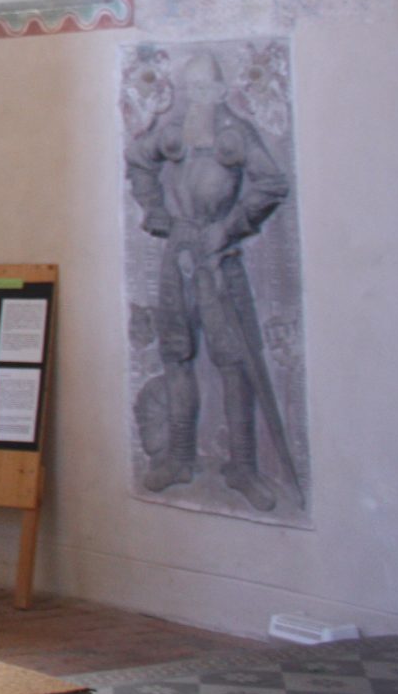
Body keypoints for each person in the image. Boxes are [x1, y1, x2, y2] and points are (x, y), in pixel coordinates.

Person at [124, 54, 297, 510]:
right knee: (176, 354)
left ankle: (242, 466)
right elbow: (137, 160)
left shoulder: (234, 133)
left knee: (233, 359)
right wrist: (154, 208)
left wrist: (232, 225)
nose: (196, 97)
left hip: (219, 254)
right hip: (178, 249)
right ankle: (180, 457)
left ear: (220, 91)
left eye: (205, 89)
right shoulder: (172, 131)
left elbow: (272, 184)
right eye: (190, 89)